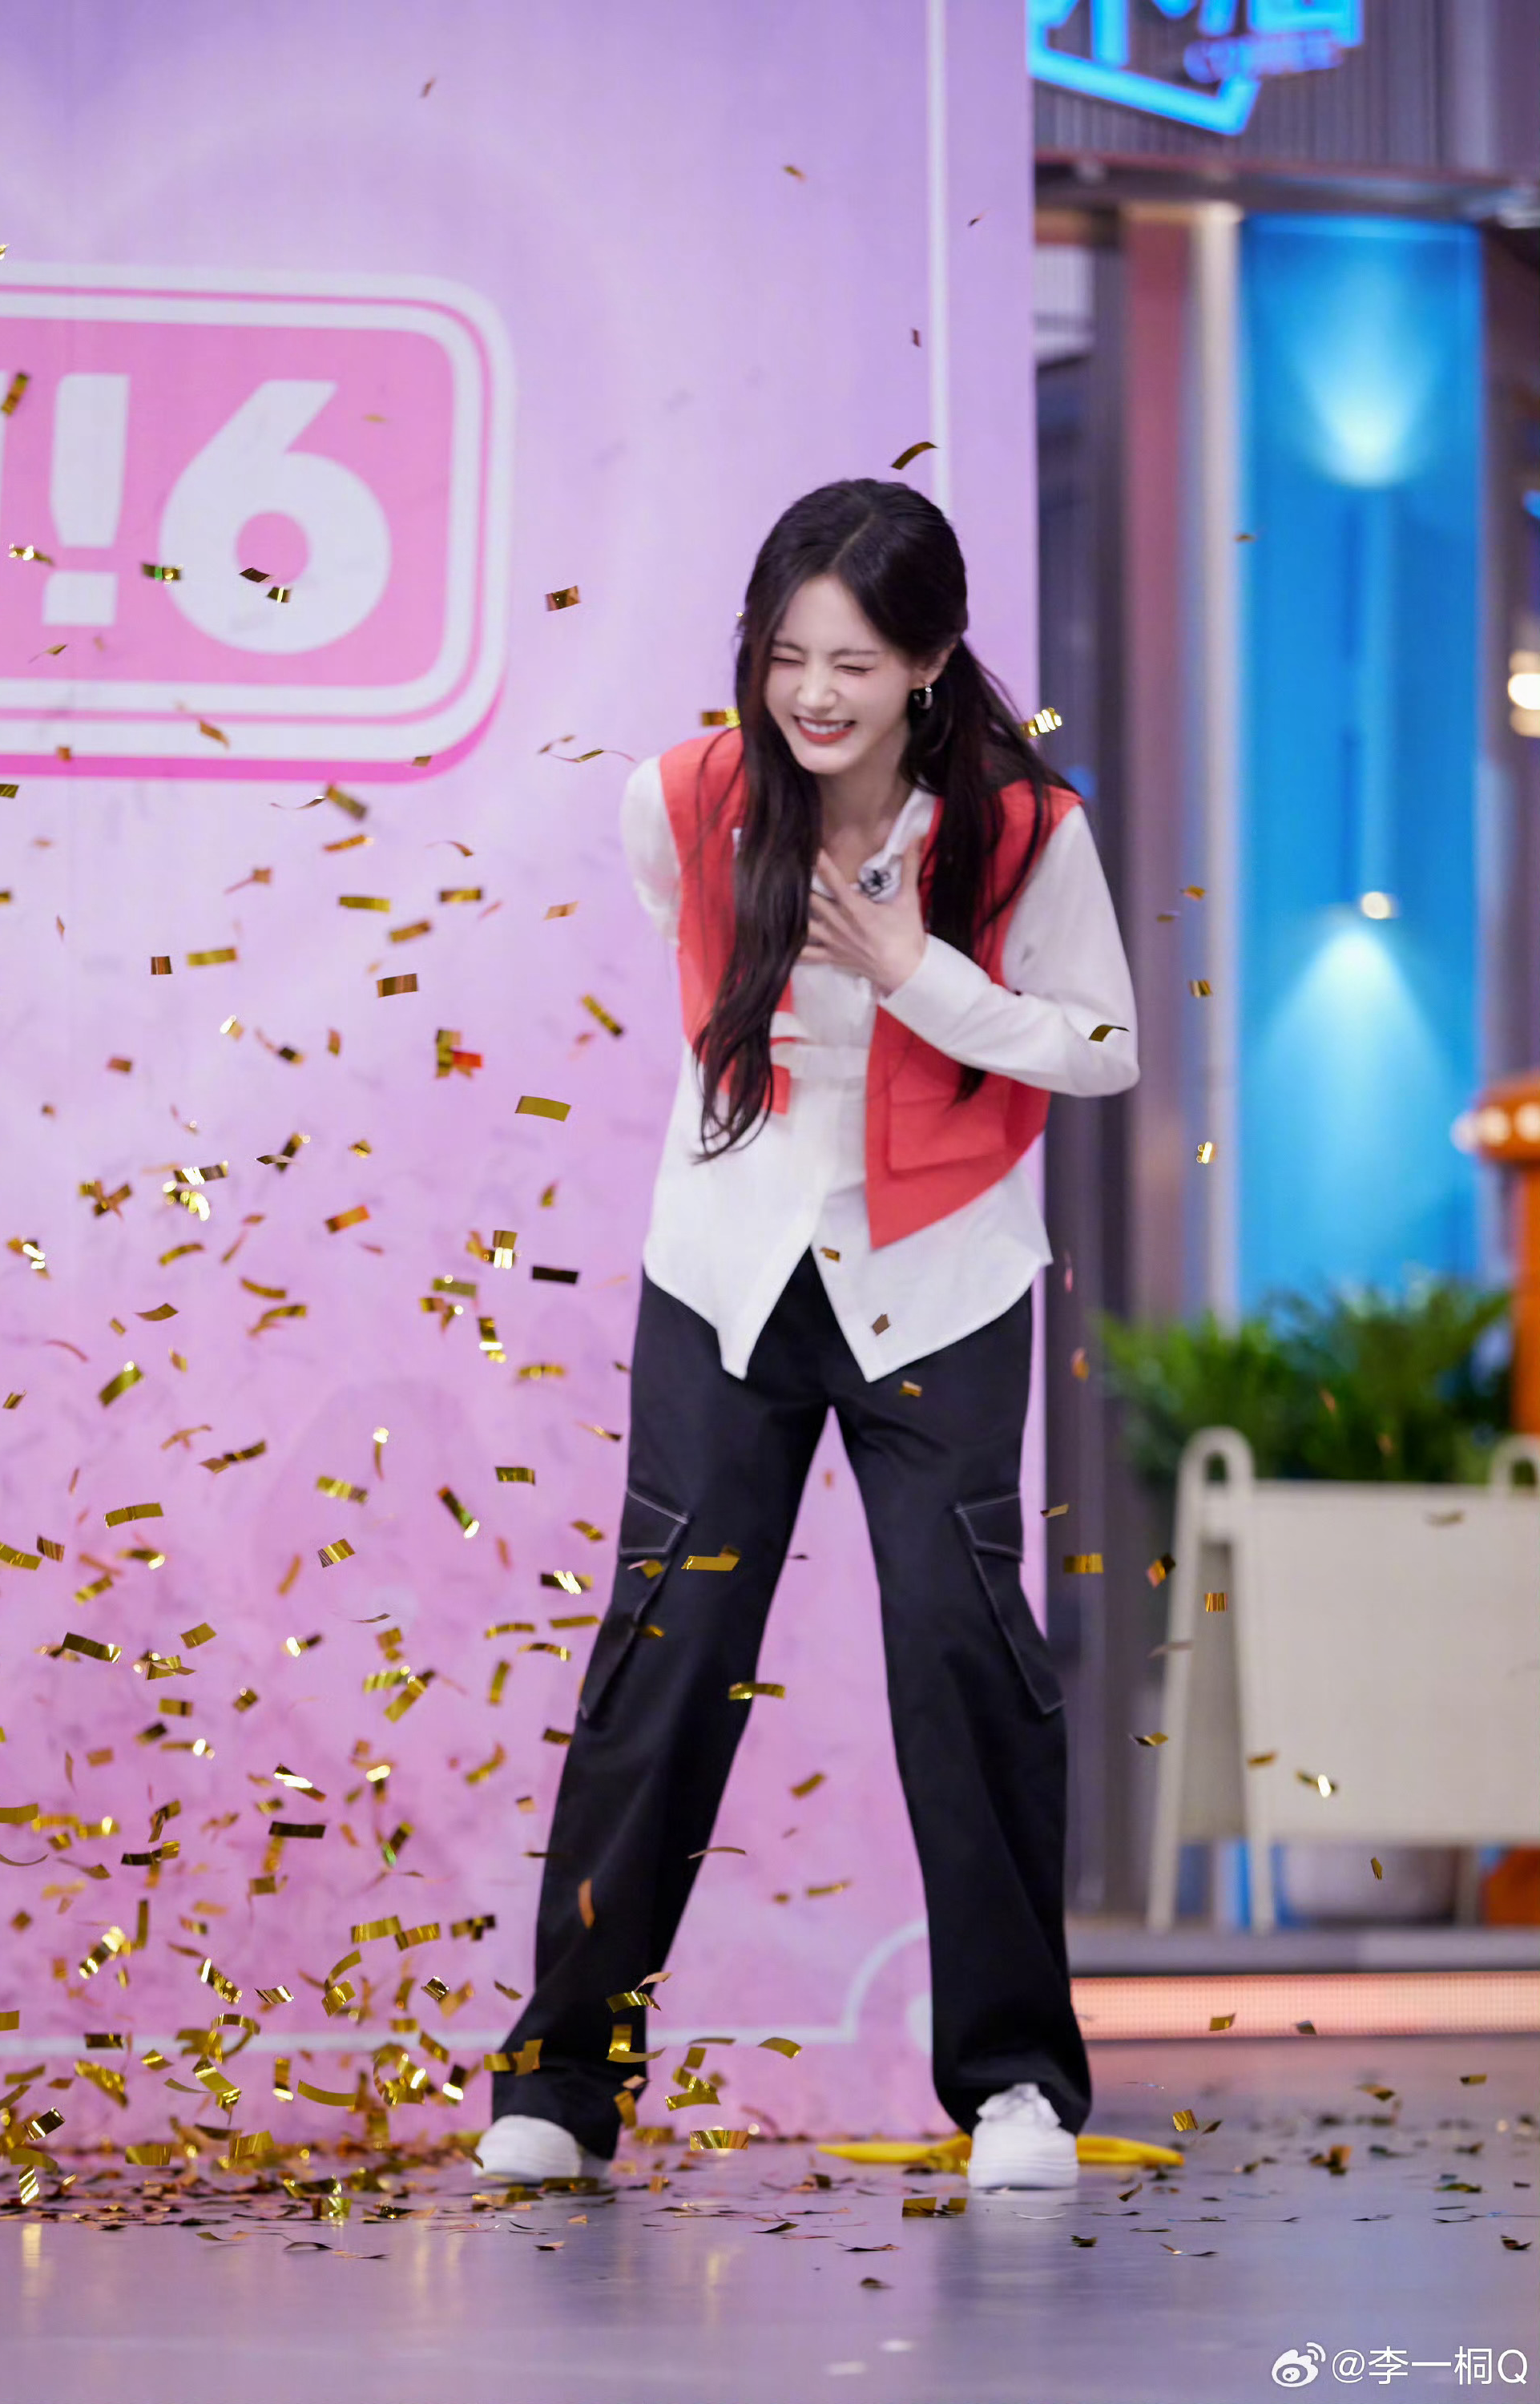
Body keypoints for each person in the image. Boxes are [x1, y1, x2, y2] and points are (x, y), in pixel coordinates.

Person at [480, 479, 1138, 2191]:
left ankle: (1014, 2086)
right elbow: (695, 964)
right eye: (786, 657)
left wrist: (920, 972)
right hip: (729, 1271)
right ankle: (559, 2082)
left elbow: (1101, 1046)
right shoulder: (684, 798)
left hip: (942, 1280)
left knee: (961, 1651)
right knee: (668, 1649)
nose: (814, 694)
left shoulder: (1023, 830)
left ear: (929, 659)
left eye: (852, 660)